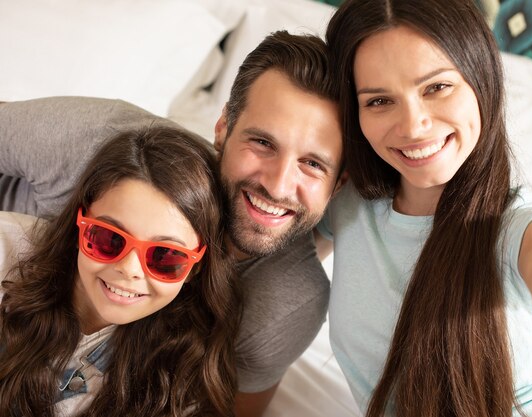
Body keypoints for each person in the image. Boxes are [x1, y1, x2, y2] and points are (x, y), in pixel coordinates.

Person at [0, 31, 345, 417]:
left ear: (340, 182)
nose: (278, 184)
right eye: (263, 142)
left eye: (313, 163)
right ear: (223, 126)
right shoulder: (100, 141)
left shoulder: (286, 303)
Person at [317, 0, 532, 416]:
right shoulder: (349, 205)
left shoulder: (523, 225)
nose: (412, 125)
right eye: (378, 101)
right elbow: (274, 271)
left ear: (481, 80)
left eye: (436, 87)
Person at [0, 126, 239, 416]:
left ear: (196, 268)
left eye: (165, 256)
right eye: (109, 238)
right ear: (80, 222)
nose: (128, 269)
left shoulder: (183, 387)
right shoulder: (6, 248)